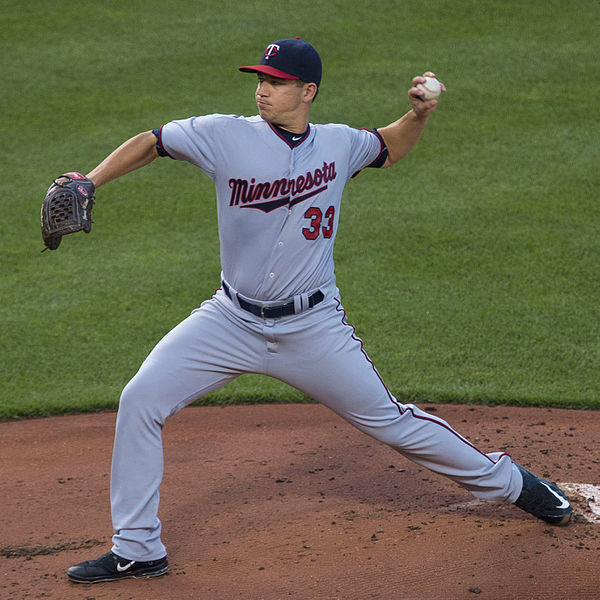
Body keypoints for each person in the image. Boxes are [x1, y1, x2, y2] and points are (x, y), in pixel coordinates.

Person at [66, 38, 572, 584]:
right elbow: (152, 142)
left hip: (312, 327)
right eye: (260, 78)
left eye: (277, 81)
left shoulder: (338, 145)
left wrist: (418, 115)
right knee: (141, 399)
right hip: (229, 320)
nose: (263, 89)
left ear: (307, 91)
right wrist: (88, 180)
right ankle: (139, 548)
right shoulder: (223, 135)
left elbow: (388, 146)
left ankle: (514, 483)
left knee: (392, 422)